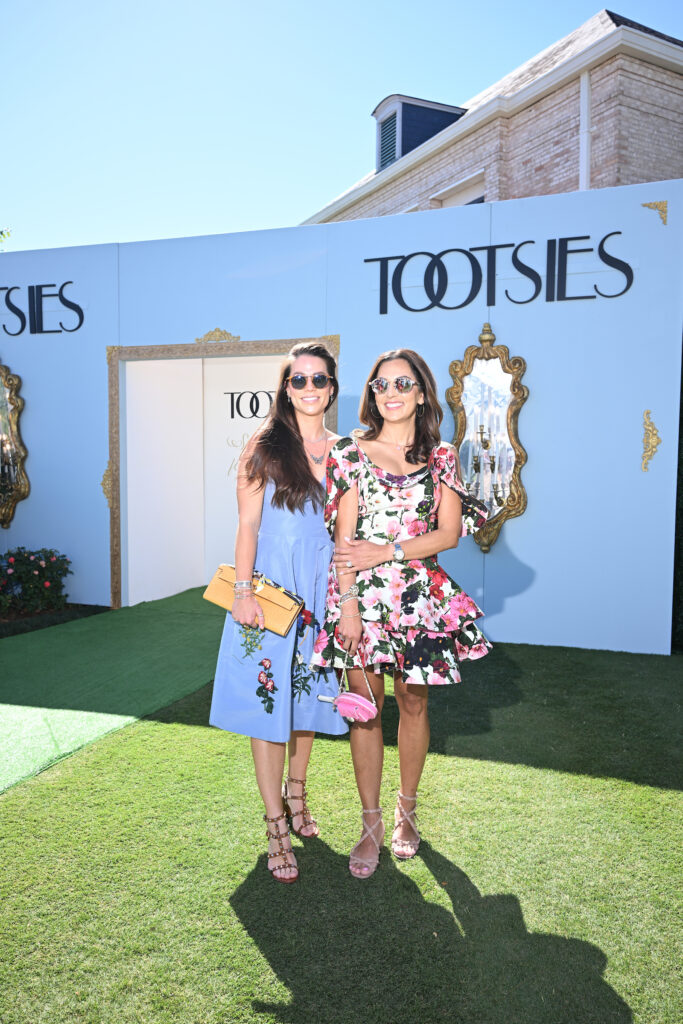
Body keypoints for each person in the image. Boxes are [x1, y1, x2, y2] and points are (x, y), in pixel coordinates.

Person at [311, 349, 490, 879]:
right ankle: (369, 823)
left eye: (402, 384)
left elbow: (449, 534)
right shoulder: (348, 451)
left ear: (420, 393)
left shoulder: (442, 456)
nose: (390, 393)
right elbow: (344, 541)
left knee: (413, 705)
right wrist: (346, 604)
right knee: (365, 708)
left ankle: (405, 811)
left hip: (419, 600)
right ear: (372, 394)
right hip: (359, 599)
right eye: (381, 384)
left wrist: (386, 551)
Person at [209, 342, 347, 884]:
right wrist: (243, 593)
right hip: (267, 590)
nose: (309, 389)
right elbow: (247, 526)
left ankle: (297, 793)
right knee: (268, 702)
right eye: (299, 380)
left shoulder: (344, 451)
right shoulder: (263, 446)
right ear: (285, 388)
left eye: (318, 380)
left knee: (306, 698)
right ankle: (274, 825)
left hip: (319, 590)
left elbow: (345, 530)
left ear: (331, 388)